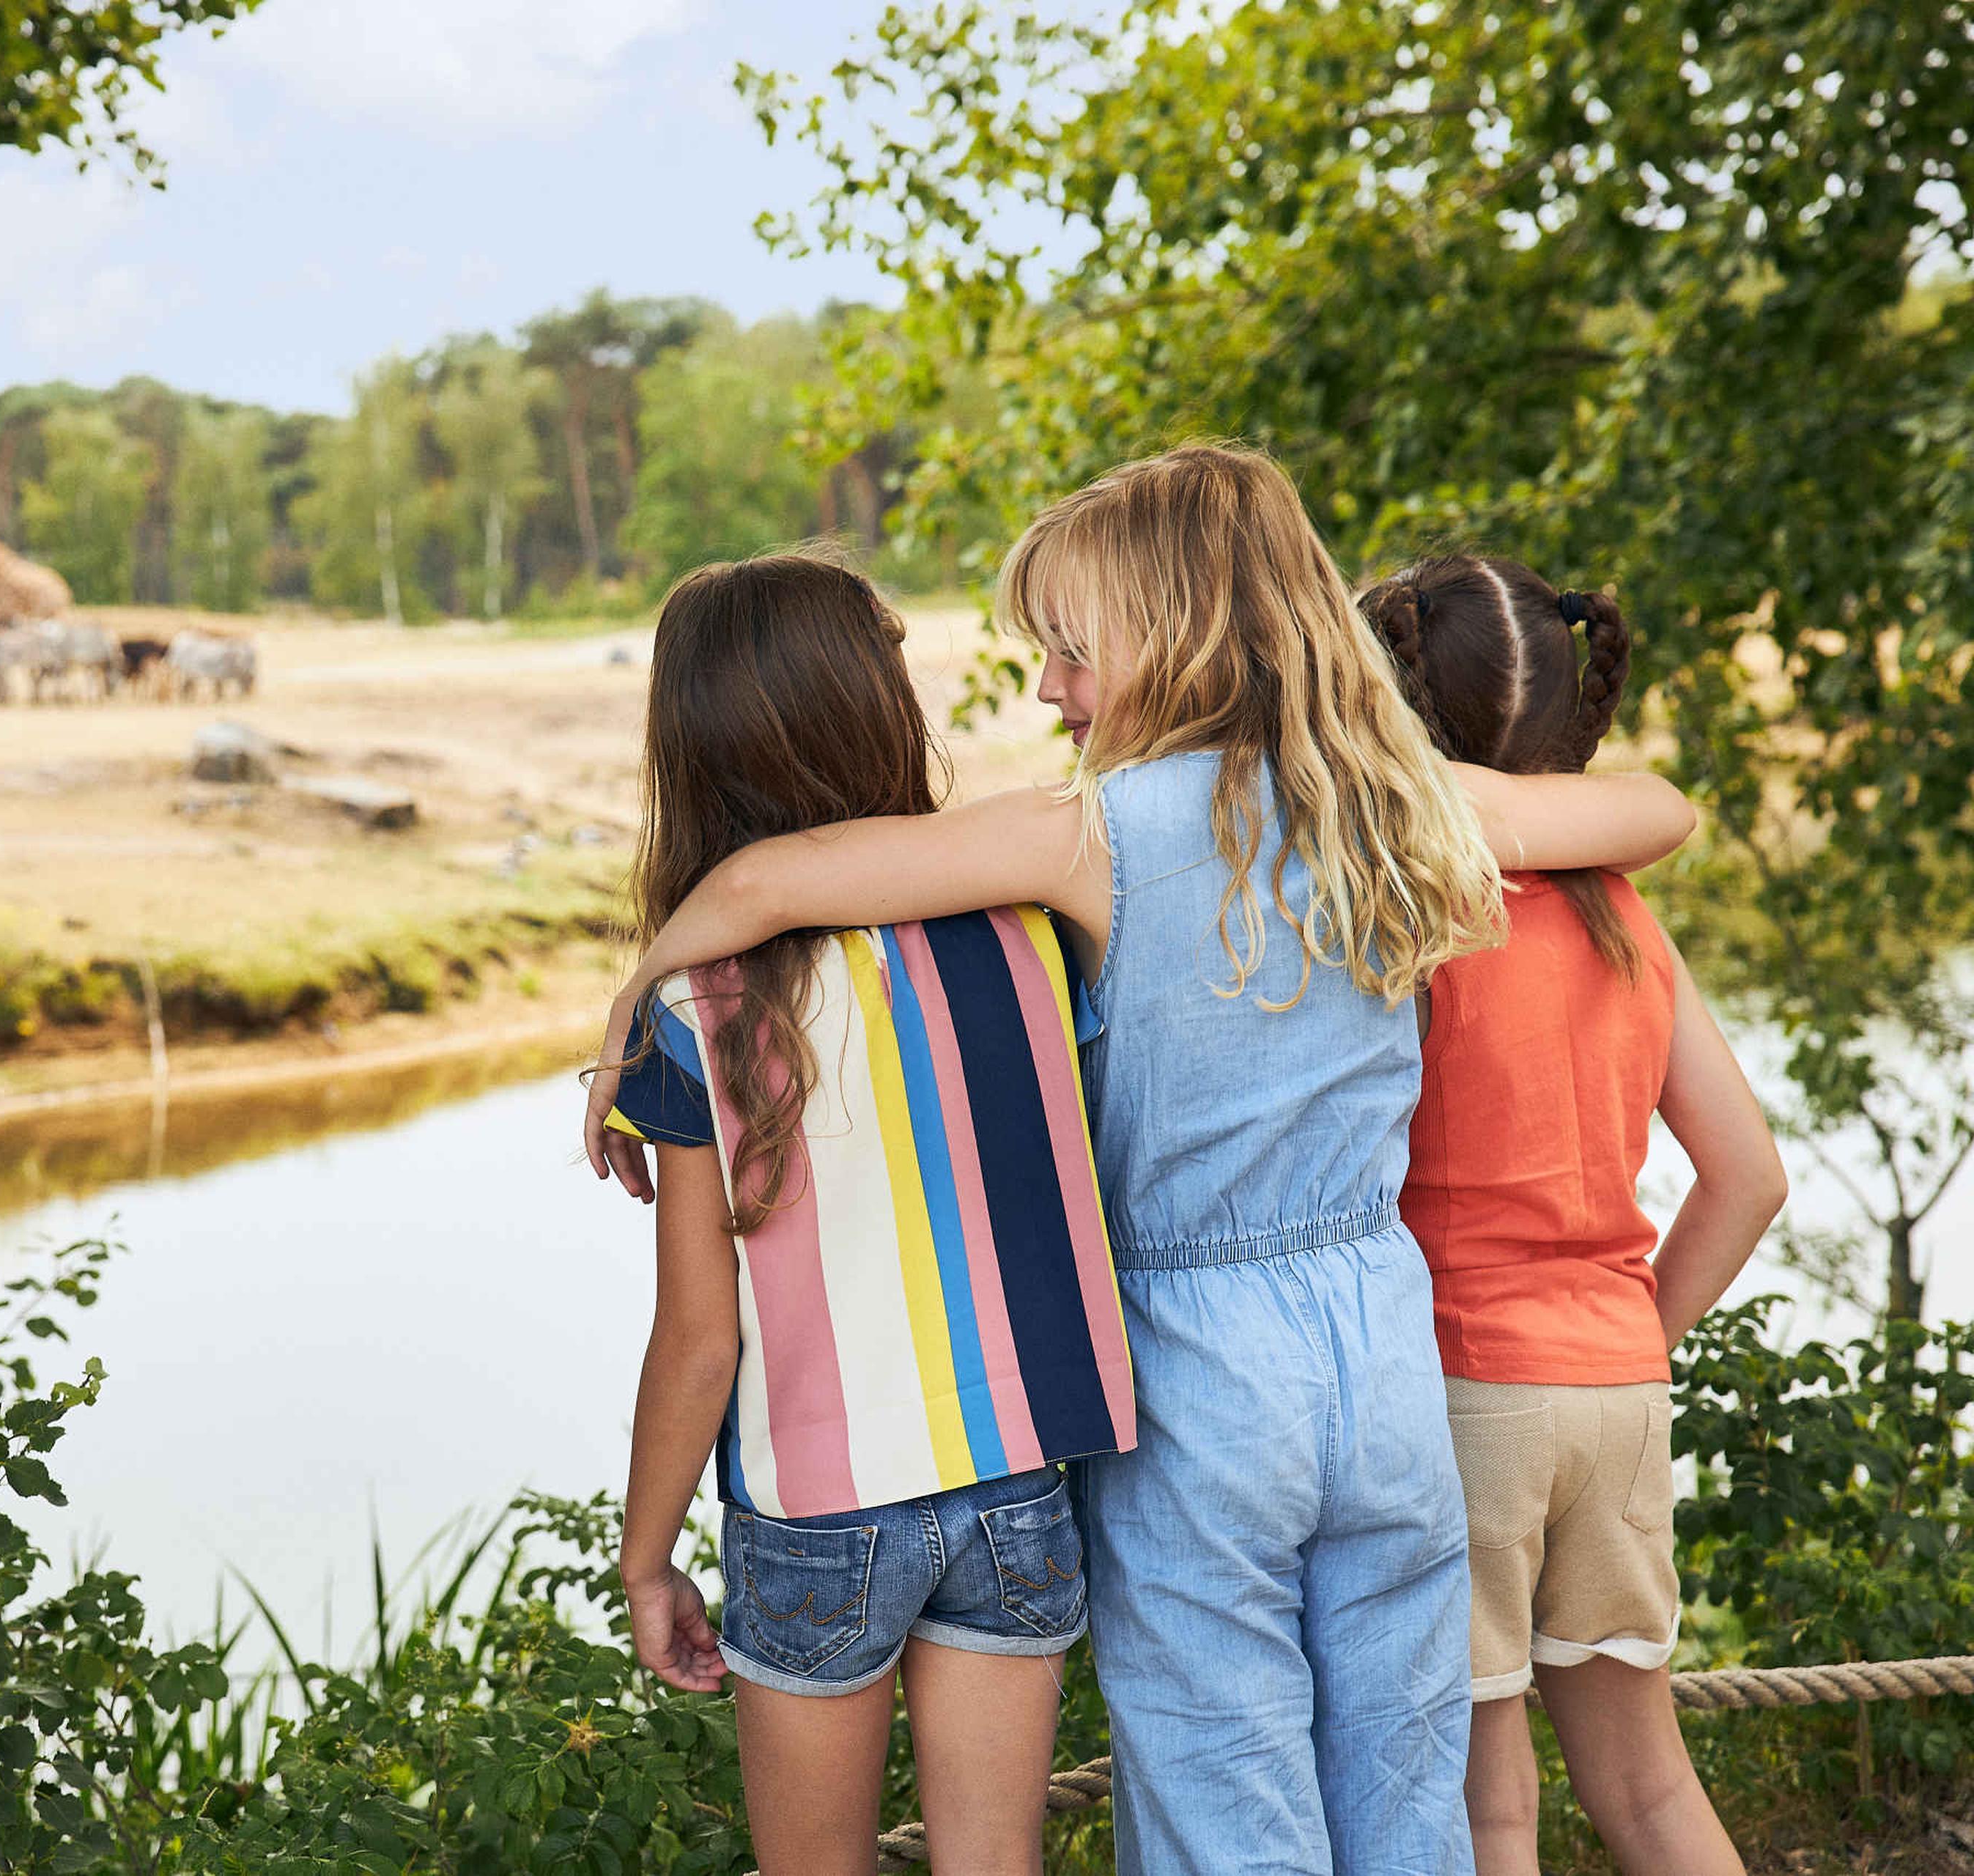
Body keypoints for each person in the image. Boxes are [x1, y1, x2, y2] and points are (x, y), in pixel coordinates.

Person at [584, 443, 1698, 1875]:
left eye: (1067, 647)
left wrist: (636, 1004)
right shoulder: (1398, 802)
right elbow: (1658, 808)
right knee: (1406, 1773)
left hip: (1198, 1362)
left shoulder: (1090, 834)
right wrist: (1413, 765)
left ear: (1166, 636)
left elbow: (764, 880)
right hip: (1384, 1339)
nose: (1048, 688)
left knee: (1226, 1784)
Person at [610, 550, 1134, 1875]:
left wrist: (647, 1557)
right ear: (881, 709)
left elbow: (698, 1339)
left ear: (693, 744)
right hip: (1017, 1481)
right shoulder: (1031, 937)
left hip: (818, 1515)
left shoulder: (696, 1007)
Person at [1364, 557, 1784, 1876]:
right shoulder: (1623, 917)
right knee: (1652, 1790)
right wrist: (1624, 1332)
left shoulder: (1404, 912)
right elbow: (1750, 1177)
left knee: (1492, 1811)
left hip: (1467, 1386)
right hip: (1615, 1386)